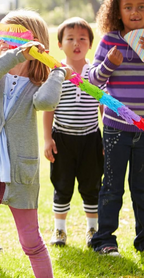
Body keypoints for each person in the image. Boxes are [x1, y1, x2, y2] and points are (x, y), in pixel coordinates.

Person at [0, 9, 72, 278]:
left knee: (31, 242)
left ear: (35, 44)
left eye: (15, 38)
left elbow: (46, 102)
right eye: (3, 36)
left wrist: (58, 74)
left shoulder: (38, 85)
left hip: (20, 175)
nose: (6, 43)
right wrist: (11, 55)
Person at [89, 0, 144, 257]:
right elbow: (93, 80)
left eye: (141, 7)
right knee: (112, 187)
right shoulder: (109, 40)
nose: (135, 12)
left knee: (141, 188)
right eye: (128, 7)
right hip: (117, 127)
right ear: (116, 12)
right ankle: (104, 239)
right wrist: (110, 64)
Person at [43, 17, 103, 248]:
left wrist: (105, 140)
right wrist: (48, 139)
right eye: (70, 39)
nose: (76, 43)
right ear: (60, 44)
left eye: (82, 39)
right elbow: (49, 108)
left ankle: (93, 230)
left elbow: (103, 108)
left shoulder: (96, 74)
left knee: (91, 185)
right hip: (62, 139)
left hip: (91, 139)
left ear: (90, 44)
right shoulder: (56, 73)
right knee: (62, 184)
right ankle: (59, 231)